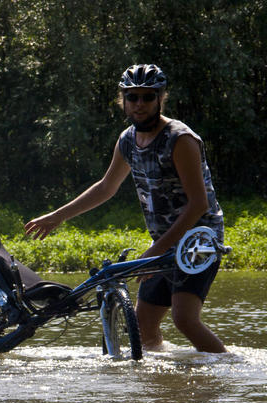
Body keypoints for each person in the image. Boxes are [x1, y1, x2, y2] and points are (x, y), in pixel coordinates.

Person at [24, 64, 226, 353]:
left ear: (160, 98)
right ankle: (162, 378)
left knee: (184, 319)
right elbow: (106, 187)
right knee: (143, 326)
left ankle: (229, 376)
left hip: (198, 241)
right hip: (164, 243)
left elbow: (198, 205)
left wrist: (154, 252)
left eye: (147, 97)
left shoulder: (180, 140)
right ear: (123, 100)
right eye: (133, 98)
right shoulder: (128, 140)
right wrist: (58, 216)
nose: (139, 105)